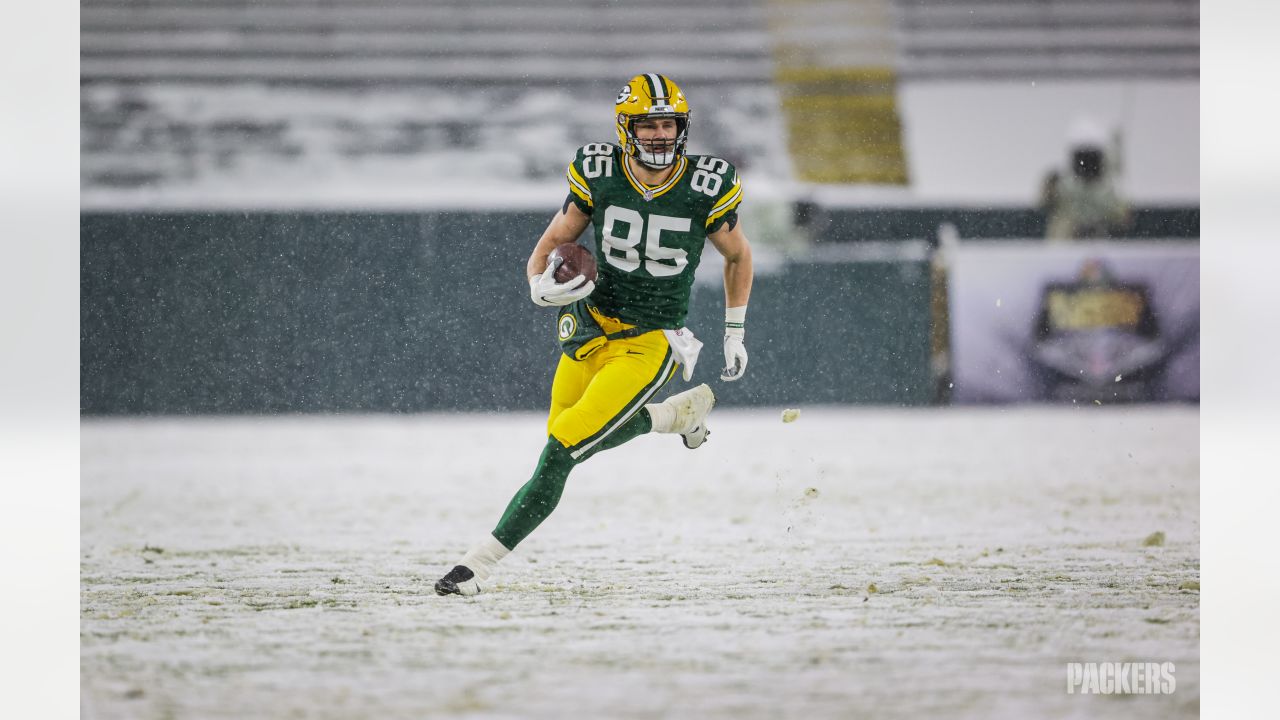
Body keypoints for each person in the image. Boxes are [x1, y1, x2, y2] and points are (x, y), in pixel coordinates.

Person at [435, 73, 755, 596]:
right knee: (568, 437)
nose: (659, 135)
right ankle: (673, 416)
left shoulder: (706, 183)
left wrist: (734, 330)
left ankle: (477, 565)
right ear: (626, 128)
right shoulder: (599, 171)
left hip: (650, 341)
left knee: (562, 450)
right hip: (590, 328)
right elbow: (554, 242)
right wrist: (539, 286)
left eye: (668, 124)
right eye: (648, 124)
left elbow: (738, 255)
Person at [1039, 117, 1132, 241]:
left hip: (1098, 247)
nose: (1088, 164)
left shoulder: (1106, 191)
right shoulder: (1063, 185)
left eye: (1092, 158)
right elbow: (1045, 202)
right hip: (1065, 246)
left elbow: (1122, 217)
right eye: (1084, 158)